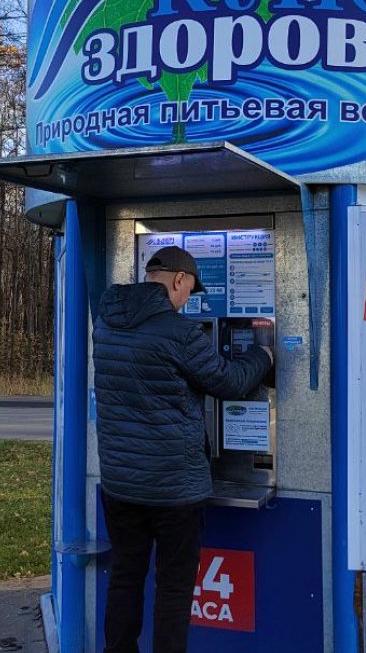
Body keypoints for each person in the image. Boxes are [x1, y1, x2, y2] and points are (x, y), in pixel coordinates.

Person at [92, 245, 273, 653]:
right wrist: (262, 354)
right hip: (174, 491)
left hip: (120, 485)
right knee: (173, 591)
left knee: (125, 577)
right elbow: (227, 381)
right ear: (178, 281)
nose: (187, 300)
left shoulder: (105, 322)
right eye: (189, 291)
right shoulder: (179, 331)